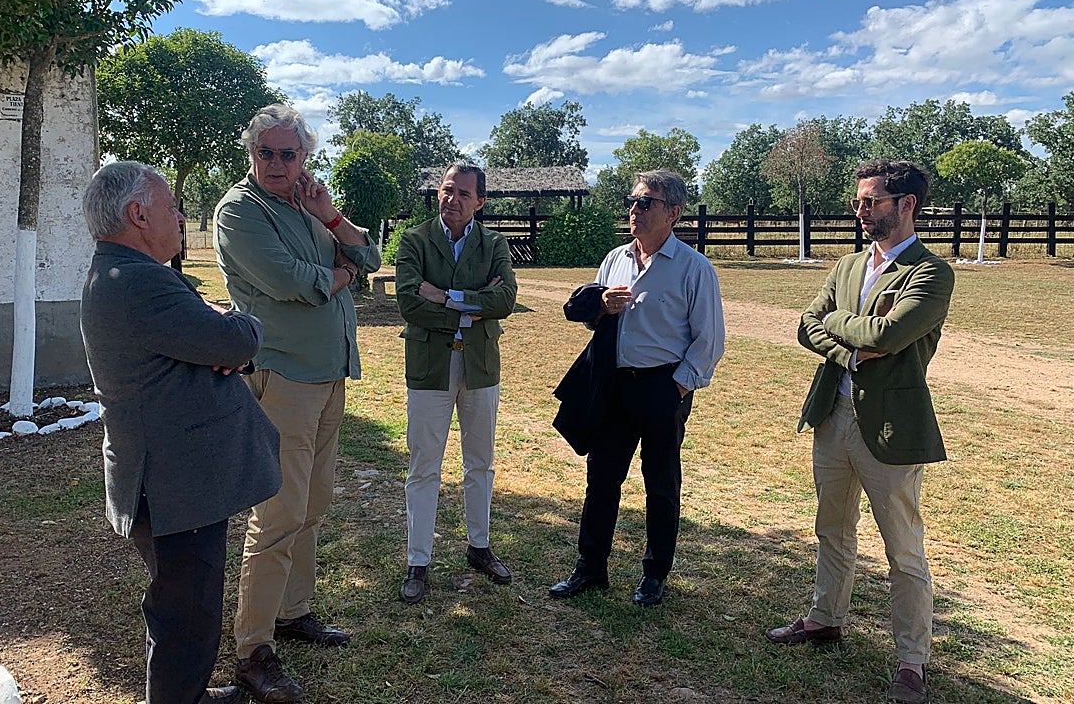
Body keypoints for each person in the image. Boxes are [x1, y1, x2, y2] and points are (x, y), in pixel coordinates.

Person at [79, 161, 283, 704]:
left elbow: (205, 344)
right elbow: (234, 342)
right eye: (172, 207)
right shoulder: (139, 281)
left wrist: (215, 336)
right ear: (138, 214)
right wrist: (238, 329)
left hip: (170, 481)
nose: (180, 217)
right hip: (174, 486)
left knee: (184, 607)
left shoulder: (126, 274)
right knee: (185, 619)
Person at [765, 160, 953, 704]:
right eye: (859, 200)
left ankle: (912, 662)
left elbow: (889, 336)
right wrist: (853, 346)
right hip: (833, 417)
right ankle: (825, 618)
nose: (860, 209)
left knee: (904, 551)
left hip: (892, 428)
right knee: (832, 529)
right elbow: (807, 324)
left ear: (906, 205)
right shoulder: (847, 265)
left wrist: (844, 327)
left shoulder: (931, 273)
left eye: (871, 200)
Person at [214, 104, 381, 704]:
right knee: (279, 515)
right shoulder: (239, 211)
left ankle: (293, 613)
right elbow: (296, 282)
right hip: (283, 377)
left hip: (330, 373)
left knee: (313, 503)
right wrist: (335, 273)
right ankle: (253, 649)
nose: (279, 163)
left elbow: (369, 259)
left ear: (306, 157)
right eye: (268, 153)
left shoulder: (305, 205)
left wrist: (331, 218)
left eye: (290, 154)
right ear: (251, 153)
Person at [549, 170, 724, 607]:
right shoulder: (615, 259)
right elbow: (595, 317)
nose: (635, 210)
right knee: (601, 480)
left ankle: (654, 576)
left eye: (646, 203)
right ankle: (590, 569)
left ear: (674, 213)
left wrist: (678, 390)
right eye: (633, 201)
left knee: (660, 485)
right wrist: (602, 307)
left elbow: (709, 341)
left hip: (662, 388)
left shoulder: (694, 268)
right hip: (614, 386)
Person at [394, 164, 518, 604]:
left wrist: (445, 297)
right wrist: (476, 303)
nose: (454, 199)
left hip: (481, 366)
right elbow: (410, 302)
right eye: (448, 190)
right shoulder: (414, 240)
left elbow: (507, 299)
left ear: (480, 201)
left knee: (480, 462)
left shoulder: (494, 242)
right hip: (430, 367)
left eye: (464, 193)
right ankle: (418, 561)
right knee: (424, 466)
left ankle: (479, 547)